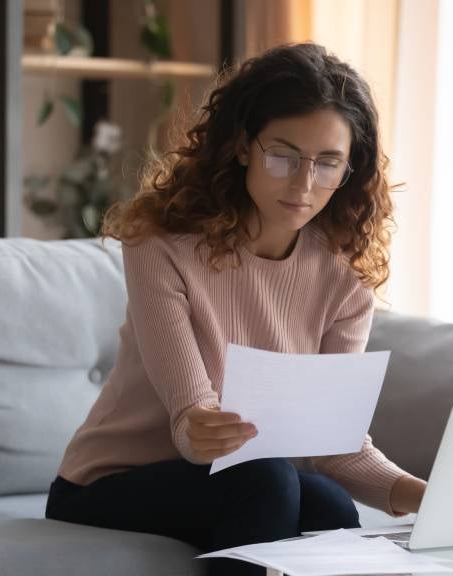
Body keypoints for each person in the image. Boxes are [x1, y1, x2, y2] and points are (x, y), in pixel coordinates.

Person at [46, 42, 427, 576]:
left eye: (327, 164)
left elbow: (332, 446)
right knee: (264, 477)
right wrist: (202, 426)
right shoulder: (163, 243)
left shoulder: (344, 274)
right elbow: (190, 415)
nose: (303, 184)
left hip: (244, 481)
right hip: (109, 483)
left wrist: (422, 494)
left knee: (328, 502)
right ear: (244, 145)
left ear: (350, 168)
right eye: (283, 156)